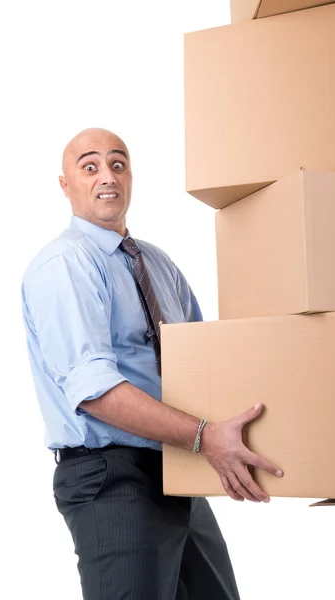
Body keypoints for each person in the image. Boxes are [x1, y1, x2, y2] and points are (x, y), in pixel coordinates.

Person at [21, 128, 283, 600]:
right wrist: (205, 436)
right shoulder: (65, 264)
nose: (107, 176)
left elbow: (206, 359)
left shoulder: (158, 264)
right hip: (112, 476)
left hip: (179, 464)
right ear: (66, 185)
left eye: (118, 164)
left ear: (131, 177)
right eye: (90, 165)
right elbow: (94, 391)